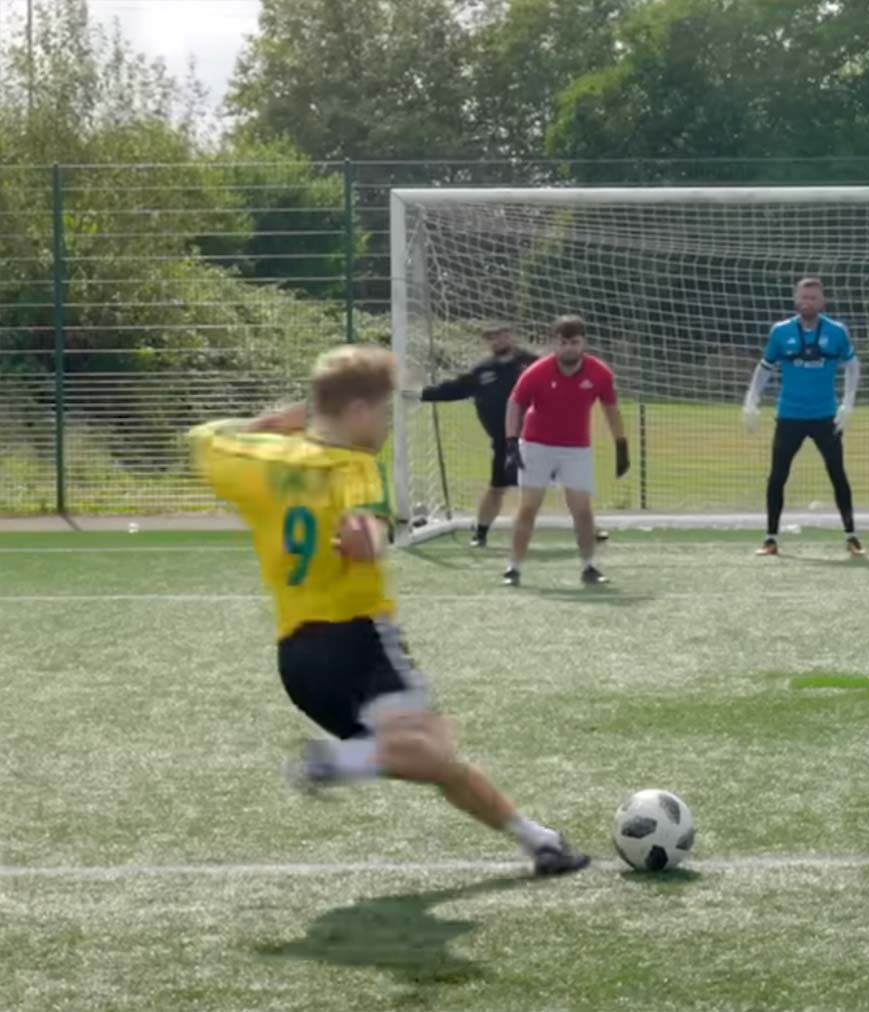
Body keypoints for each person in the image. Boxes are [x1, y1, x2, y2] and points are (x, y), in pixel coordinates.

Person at [188, 345, 589, 876]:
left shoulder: (262, 461)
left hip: (298, 662)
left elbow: (202, 439)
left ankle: (538, 841)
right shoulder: (357, 466)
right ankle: (333, 761)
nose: (386, 426)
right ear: (357, 412)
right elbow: (370, 528)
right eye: (383, 413)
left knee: (434, 756)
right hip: (360, 642)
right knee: (430, 750)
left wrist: (270, 423)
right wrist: (369, 540)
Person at [502, 315, 630, 587]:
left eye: (575, 342)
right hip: (536, 445)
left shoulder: (599, 373)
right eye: (563, 342)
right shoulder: (537, 371)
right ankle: (513, 567)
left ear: (584, 343)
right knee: (528, 508)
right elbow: (515, 403)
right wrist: (512, 441)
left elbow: (611, 409)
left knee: (582, 510)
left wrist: (621, 444)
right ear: (553, 343)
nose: (569, 348)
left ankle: (589, 566)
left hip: (576, 449)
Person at [741, 277, 863, 557]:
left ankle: (852, 536)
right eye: (803, 297)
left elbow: (853, 365)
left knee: (837, 474)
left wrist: (848, 402)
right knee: (777, 476)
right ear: (796, 299)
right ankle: (770, 539)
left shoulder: (836, 332)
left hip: (825, 416)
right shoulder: (781, 332)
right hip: (789, 415)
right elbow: (765, 367)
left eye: (813, 298)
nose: (807, 302)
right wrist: (751, 401)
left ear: (822, 301)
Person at [416, 326, 537, 548]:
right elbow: (454, 389)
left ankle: (588, 527)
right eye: (492, 336)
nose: (497, 340)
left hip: (539, 437)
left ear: (512, 335)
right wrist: (421, 394)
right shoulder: (482, 371)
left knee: (568, 483)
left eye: (502, 334)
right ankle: (480, 533)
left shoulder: (533, 364)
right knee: (497, 487)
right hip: (504, 442)